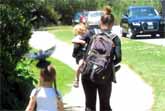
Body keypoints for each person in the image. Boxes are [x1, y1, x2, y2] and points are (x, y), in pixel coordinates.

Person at [81, 14, 122, 111]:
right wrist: (108, 65)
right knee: (105, 105)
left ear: (100, 22)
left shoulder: (90, 33)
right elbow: (118, 58)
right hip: (104, 74)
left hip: (87, 72)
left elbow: (77, 45)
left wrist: (83, 58)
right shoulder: (115, 38)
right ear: (112, 24)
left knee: (89, 105)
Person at [72, 23, 87, 88]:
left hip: (85, 54)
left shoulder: (85, 36)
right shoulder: (78, 37)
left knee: (83, 67)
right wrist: (82, 42)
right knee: (80, 65)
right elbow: (73, 41)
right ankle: (76, 80)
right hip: (80, 55)